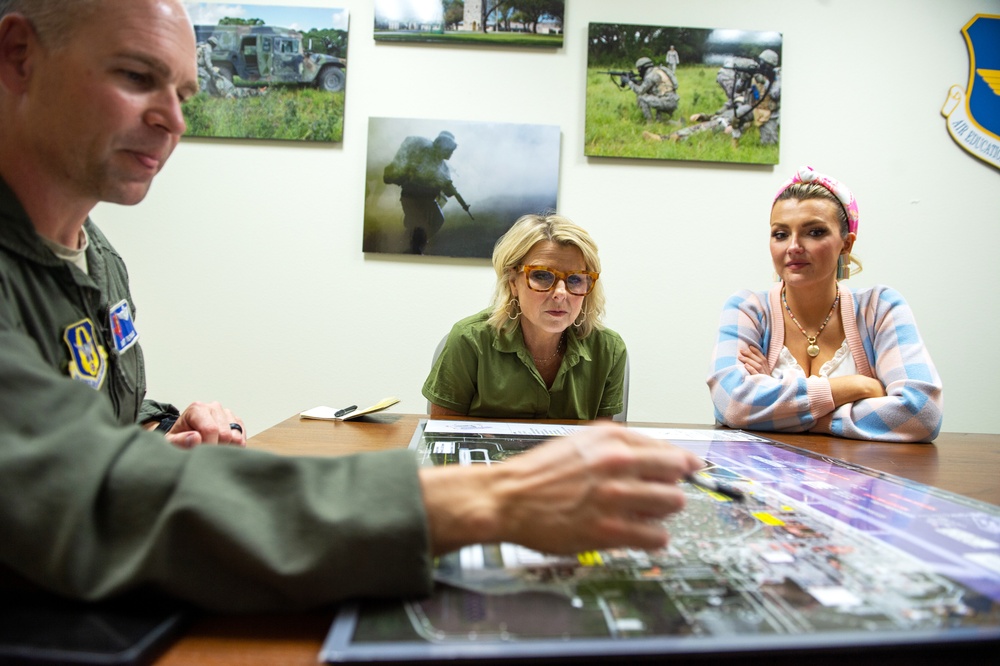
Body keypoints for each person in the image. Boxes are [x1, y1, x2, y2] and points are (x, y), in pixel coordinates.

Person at [0, 0, 702, 612]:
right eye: (135, 76)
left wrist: (161, 424)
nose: (173, 119)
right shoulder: (468, 332)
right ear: (18, 55)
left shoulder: (99, 260)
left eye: (184, 91)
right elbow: (66, 486)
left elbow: (85, 416)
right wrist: (488, 501)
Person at [707, 166, 943, 442]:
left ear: (846, 244)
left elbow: (922, 414)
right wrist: (859, 387)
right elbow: (732, 404)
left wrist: (777, 406)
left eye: (815, 232)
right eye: (780, 234)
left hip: (863, 480)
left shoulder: (880, 308)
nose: (793, 246)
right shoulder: (747, 308)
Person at [424, 213, 627, 420]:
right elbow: (443, 440)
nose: (560, 293)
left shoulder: (609, 350)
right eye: (542, 275)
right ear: (513, 282)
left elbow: (603, 445)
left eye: (575, 279)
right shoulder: (469, 340)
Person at [643, 49, 780, 146]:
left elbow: (775, 94)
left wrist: (765, 80)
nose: (761, 66)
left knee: (768, 144)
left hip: (769, 115)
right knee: (720, 121)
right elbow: (738, 92)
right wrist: (745, 78)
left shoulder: (777, 78)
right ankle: (669, 138)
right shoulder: (756, 76)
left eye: (764, 64)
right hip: (750, 108)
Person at [383, 130, 472, 254]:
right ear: (443, 146)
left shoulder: (444, 167)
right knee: (417, 224)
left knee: (437, 220)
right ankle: (413, 246)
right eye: (450, 149)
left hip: (427, 200)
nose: (451, 152)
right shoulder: (423, 153)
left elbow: (447, 190)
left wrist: (450, 190)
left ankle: (416, 244)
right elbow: (415, 172)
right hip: (412, 196)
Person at [625, 56, 679, 124]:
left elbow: (640, 91)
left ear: (643, 68)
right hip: (672, 101)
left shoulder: (651, 76)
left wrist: (629, 82)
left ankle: (649, 123)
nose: (638, 71)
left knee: (641, 98)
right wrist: (636, 82)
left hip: (666, 101)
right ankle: (678, 124)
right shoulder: (658, 71)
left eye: (639, 69)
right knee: (661, 122)